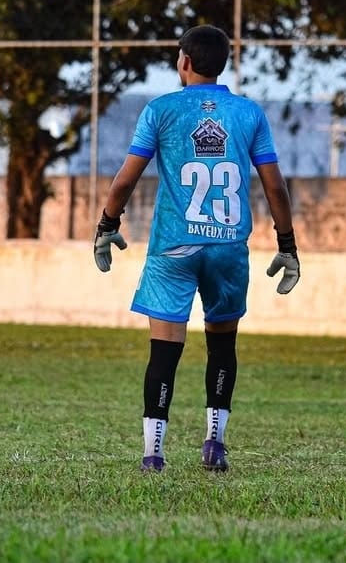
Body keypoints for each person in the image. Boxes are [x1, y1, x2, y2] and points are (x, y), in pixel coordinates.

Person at [93, 25, 300, 473]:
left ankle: (153, 452)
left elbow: (125, 180)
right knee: (222, 346)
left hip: (174, 250)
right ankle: (214, 444)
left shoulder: (161, 110)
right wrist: (287, 244)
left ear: (184, 61)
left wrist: (107, 224)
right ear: (222, 63)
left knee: (164, 350)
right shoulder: (247, 113)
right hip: (227, 250)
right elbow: (275, 189)